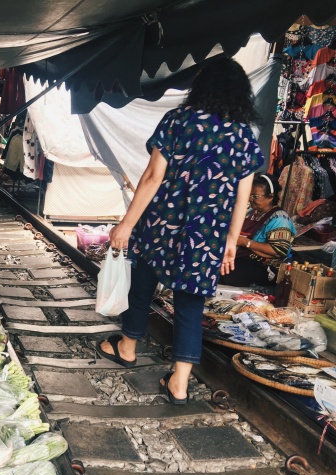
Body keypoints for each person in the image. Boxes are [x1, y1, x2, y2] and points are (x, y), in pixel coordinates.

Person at [97, 57, 264, 405]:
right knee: (190, 305)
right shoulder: (244, 138)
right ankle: (180, 384)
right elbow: (241, 198)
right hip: (207, 237)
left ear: (202, 87)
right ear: (240, 95)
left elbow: (152, 177)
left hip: (161, 225)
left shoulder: (178, 121)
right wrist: (231, 242)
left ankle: (127, 347)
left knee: (141, 285)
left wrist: (126, 224)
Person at [219, 173, 296, 287]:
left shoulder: (280, 218)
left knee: (226, 273)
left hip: (265, 268)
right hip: (245, 260)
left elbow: (278, 251)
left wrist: (245, 242)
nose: (251, 200)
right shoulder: (252, 212)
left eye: (256, 196)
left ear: (270, 196)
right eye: (250, 196)